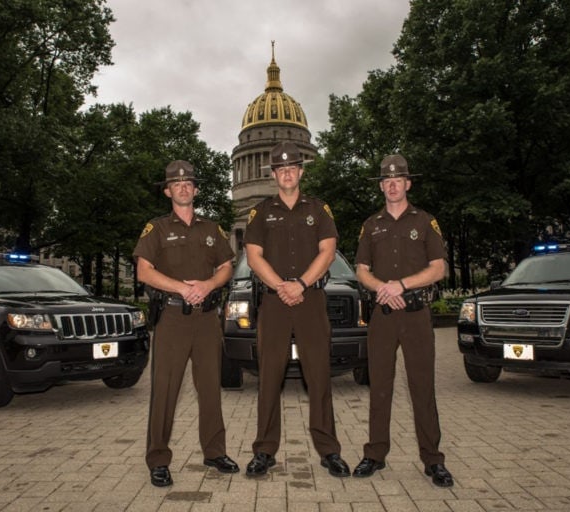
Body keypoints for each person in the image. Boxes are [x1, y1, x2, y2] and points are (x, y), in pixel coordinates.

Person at [243, 141, 351, 478]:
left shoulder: (320, 210)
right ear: (273, 174)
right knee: (269, 376)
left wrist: (300, 284)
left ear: (301, 171)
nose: (287, 172)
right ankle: (264, 451)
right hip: (274, 303)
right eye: (280, 168)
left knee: (318, 375)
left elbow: (328, 251)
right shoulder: (260, 212)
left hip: (310, 300)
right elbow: (253, 256)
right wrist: (281, 286)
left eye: (292, 167)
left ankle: (329, 450)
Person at [133, 160, 239, 487]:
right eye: (176, 184)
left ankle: (214, 451)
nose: (183, 187)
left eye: (188, 183)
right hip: (173, 318)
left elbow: (226, 267)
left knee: (210, 388)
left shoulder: (212, 229)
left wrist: (207, 286)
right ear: (168, 191)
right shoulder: (157, 228)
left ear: (195, 189)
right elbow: (144, 271)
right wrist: (182, 287)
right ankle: (158, 459)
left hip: (207, 319)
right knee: (165, 390)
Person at [352, 154, 454, 487]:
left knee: (422, 387)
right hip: (382, 316)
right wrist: (383, 287)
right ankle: (375, 454)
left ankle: (433, 459)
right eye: (387, 180)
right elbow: (361, 271)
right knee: (379, 386)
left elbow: (439, 268)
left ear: (408, 183)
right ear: (381, 186)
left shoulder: (425, 222)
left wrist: (402, 285)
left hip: (415, 314)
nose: (393, 184)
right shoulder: (371, 225)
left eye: (399, 179)